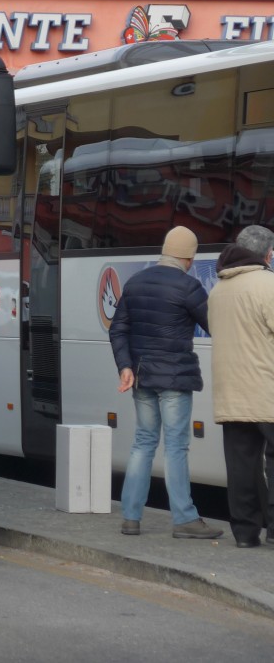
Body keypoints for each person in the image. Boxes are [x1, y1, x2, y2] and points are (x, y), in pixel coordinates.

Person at [109, 225, 222, 539]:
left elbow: (117, 329)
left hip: (142, 377)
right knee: (175, 447)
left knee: (143, 443)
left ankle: (131, 517)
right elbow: (214, 324)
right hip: (173, 378)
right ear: (188, 257)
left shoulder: (136, 282)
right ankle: (184, 518)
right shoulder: (188, 286)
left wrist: (125, 366)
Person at [206, 224, 274, 548]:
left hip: (230, 391)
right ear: (267, 253)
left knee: (241, 464)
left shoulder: (218, 290)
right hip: (266, 388)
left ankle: (246, 533)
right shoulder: (268, 285)